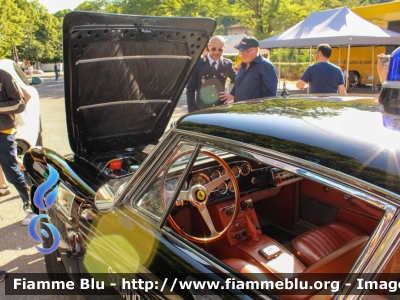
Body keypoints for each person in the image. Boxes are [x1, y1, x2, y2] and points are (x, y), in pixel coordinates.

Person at [0, 68, 35, 226]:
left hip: (3, 132)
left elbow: (20, 103)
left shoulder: (3, 75)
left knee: (12, 171)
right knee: (12, 166)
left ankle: (31, 208)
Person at [219, 36, 278, 103]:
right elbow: (239, 84)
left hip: (254, 112)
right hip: (239, 110)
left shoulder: (266, 67)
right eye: (241, 51)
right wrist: (232, 94)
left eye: (246, 51)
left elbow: (270, 98)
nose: (243, 55)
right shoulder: (243, 65)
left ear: (256, 50)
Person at [186, 36, 236, 112]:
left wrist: (232, 95)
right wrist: (191, 111)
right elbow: (190, 89)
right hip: (202, 110)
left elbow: (239, 81)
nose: (216, 52)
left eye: (220, 49)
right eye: (213, 49)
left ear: (224, 48)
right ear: (209, 46)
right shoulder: (197, 64)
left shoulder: (227, 64)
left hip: (220, 110)